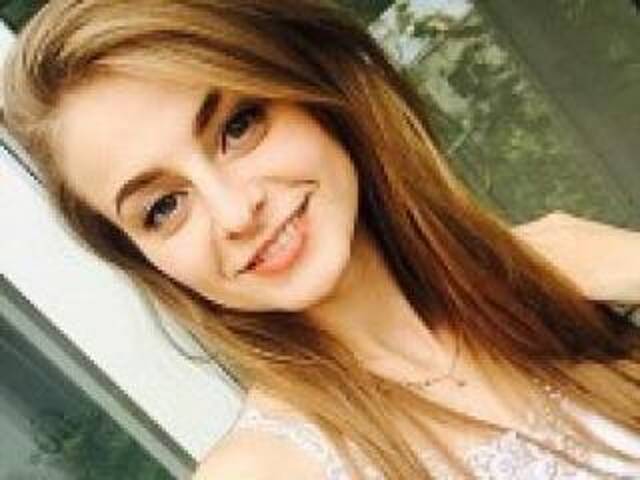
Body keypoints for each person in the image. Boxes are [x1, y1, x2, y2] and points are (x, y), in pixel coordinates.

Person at [2, 1, 639, 478]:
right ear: (143, 257)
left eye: (238, 126)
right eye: (164, 207)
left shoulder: (555, 280)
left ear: (316, 90)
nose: (235, 212)